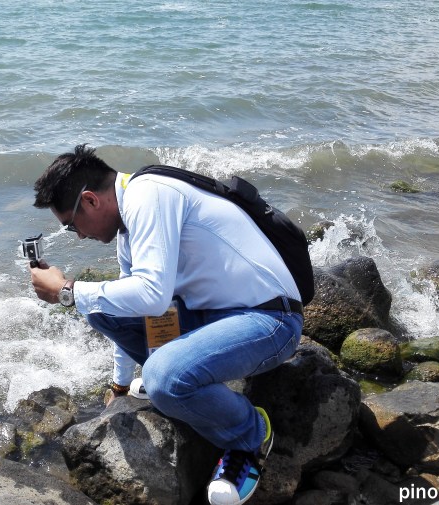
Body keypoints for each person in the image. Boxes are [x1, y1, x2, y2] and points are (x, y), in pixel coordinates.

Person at [29, 144, 304, 505]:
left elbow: (153, 297)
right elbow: (136, 306)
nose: (77, 235)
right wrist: (120, 386)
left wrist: (67, 290)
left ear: (91, 201)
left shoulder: (149, 195)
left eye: (70, 224)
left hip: (270, 319)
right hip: (214, 316)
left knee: (162, 377)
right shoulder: (129, 222)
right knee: (100, 307)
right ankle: (179, 381)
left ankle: (251, 435)